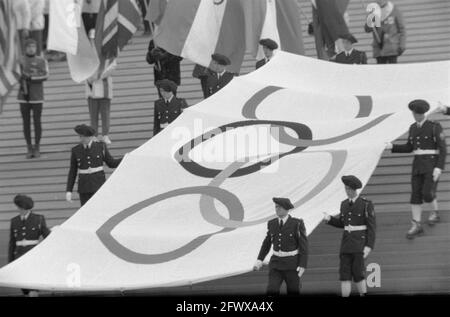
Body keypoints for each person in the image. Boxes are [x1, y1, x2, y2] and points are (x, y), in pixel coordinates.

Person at [386, 100, 447, 239]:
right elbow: (409, 147)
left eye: (418, 114)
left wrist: (439, 167)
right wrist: (392, 147)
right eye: (414, 113)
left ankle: (435, 212)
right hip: (417, 165)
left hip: (431, 164)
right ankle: (416, 224)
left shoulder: (434, 127)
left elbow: (443, 149)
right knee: (415, 195)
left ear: (423, 113)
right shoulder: (413, 127)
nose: (416, 116)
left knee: (427, 194)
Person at [323, 175, 376, 297]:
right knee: (344, 275)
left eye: (348, 189)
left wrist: (369, 246)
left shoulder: (366, 204)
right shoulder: (344, 204)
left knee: (358, 274)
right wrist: (330, 219)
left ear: (354, 189)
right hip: (346, 245)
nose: (347, 191)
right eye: (345, 189)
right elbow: (343, 223)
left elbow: (372, 227)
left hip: (359, 245)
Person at [253, 197, 308, 296]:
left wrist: (303, 264)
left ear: (287, 209)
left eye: (280, 207)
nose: (277, 209)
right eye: (276, 207)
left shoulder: (297, 223)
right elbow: (267, 243)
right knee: (271, 289)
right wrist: (259, 259)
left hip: (292, 264)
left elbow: (303, 245)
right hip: (276, 264)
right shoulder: (272, 223)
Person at [66, 124, 122, 206]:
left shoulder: (100, 147)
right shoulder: (76, 150)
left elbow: (111, 163)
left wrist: (125, 158)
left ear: (89, 137)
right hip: (84, 187)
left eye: (82, 137)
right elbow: (72, 172)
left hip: (98, 185)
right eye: (80, 136)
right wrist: (69, 190)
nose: (80, 139)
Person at [9, 194, 51, 297]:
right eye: (19, 207)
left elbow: (48, 238)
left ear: (27, 208)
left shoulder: (38, 219)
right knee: (25, 289)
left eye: (22, 208)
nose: (20, 210)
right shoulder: (14, 221)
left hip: (33, 257)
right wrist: (11, 262)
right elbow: (12, 244)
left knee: (33, 288)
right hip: (19, 258)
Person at [18, 38, 49, 159]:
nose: (31, 49)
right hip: (23, 96)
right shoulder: (19, 60)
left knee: (37, 122)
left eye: (33, 47)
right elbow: (15, 75)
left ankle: (37, 147)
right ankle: (29, 147)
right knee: (26, 123)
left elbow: (46, 75)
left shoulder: (41, 60)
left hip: (37, 96)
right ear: (25, 48)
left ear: (36, 48)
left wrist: (31, 78)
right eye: (29, 47)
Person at [85, 30, 116, 145]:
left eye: (95, 39)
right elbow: (83, 68)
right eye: (92, 39)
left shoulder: (108, 51)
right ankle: (94, 135)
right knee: (93, 115)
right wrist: (90, 77)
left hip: (104, 88)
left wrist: (99, 75)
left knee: (105, 114)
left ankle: (105, 135)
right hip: (91, 88)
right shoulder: (87, 54)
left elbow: (113, 66)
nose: (94, 41)